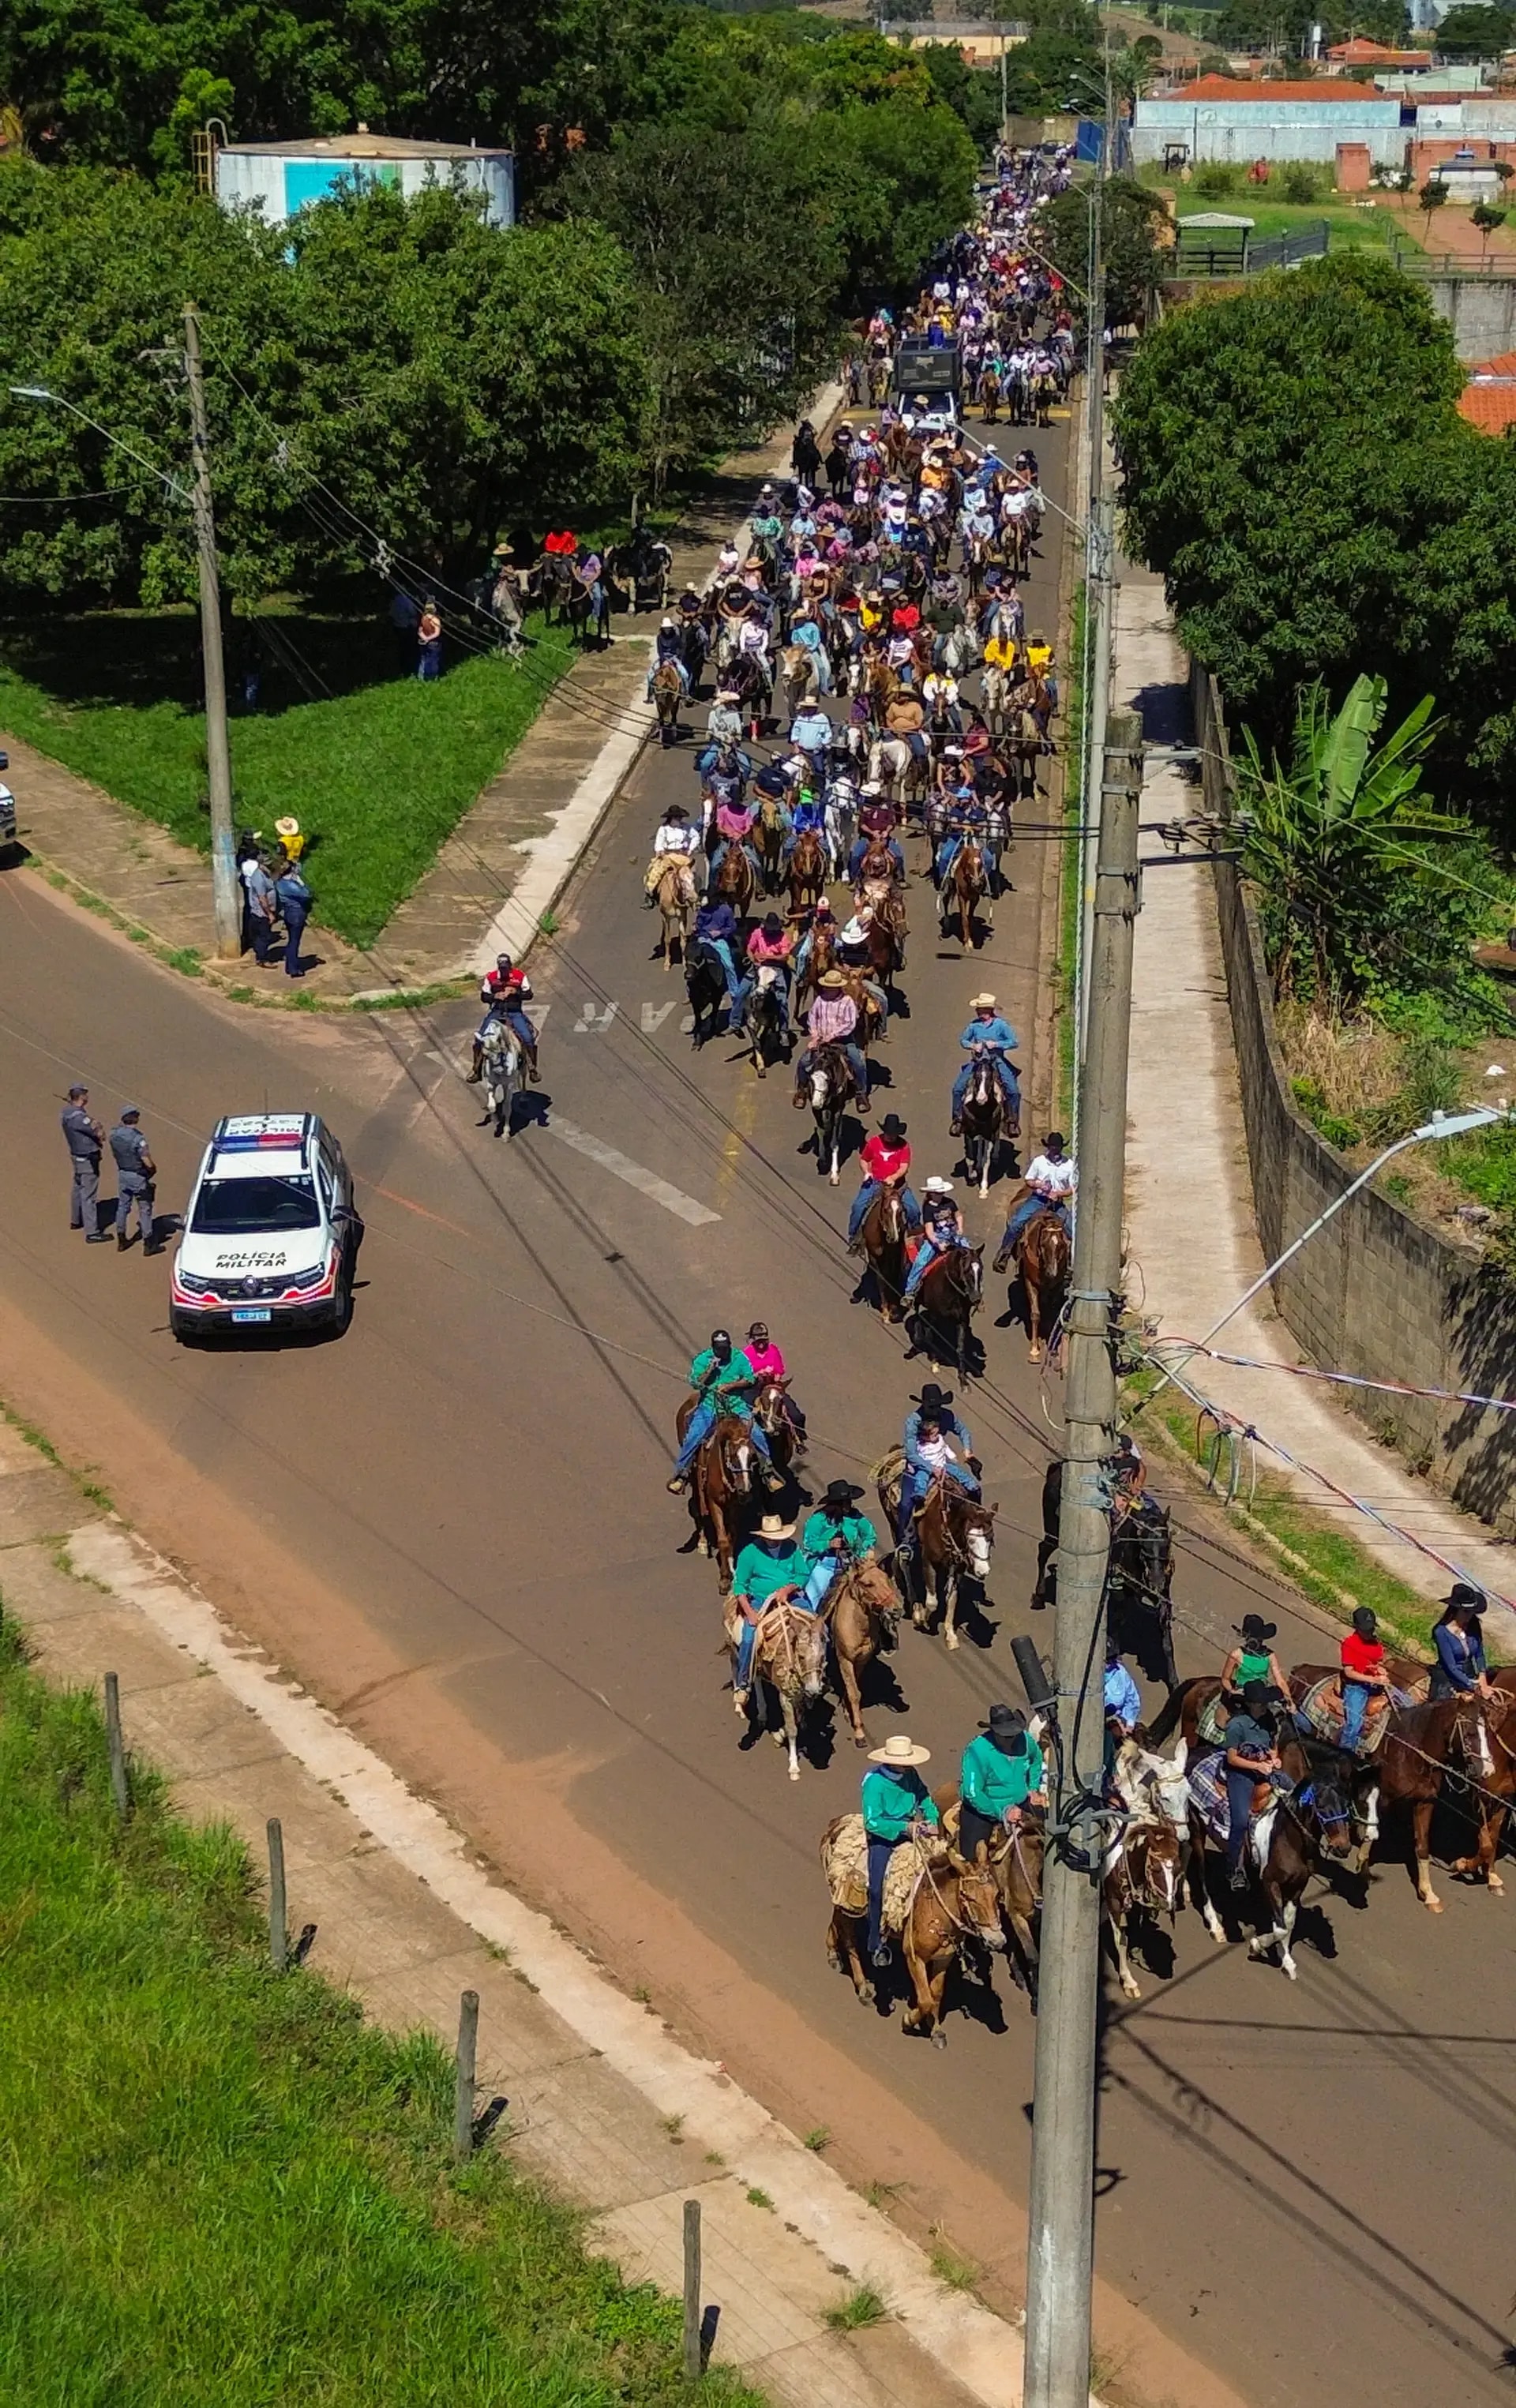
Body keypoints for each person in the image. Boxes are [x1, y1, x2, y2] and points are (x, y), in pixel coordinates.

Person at [862, 1733, 938, 1967]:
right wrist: (905, 1827)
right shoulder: (874, 1782)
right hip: (883, 1837)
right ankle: (876, 1942)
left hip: (914, 1831)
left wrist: (933, 1817)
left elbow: (924, 1796)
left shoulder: (910, 1774)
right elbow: (872, 1821)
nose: (908, 1765)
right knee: (877, 1888)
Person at [667, 1330, 775, 1492]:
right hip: (710, 1406)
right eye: (719, 1349)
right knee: (694, 1435)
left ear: (729, 1346)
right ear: (713, 1348)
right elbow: (696, 1384)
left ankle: (767, 1471)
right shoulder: (703, 1359)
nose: (723, 1352)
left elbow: (750, 1378)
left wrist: (731, 1386)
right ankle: (682, 1474)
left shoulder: (739, 1358)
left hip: (736, 1405)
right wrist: (710, 1370)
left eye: (725, 1348)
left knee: (757, 1434)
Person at [959, 1703, 1045, 1864]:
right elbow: (972, 1792)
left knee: (1049, 1837)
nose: (1011, 1739)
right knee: (973, 1862)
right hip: (984, 1809)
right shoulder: (976, 1750)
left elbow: (1036, 1758)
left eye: (1013, 1734)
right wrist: (1001, 1813)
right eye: (1006, 1736)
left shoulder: (1025, 1739)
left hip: (1021, 1803)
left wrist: (1033, 1788)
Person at [896, 1381, 979, 1547]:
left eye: (938, 1407)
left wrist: (967, 1449)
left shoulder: (947, 1416)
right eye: (932, 1407)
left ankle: (976, 1519)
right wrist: (931, 1468)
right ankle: (904, 1539)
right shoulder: (913, 1421)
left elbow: (963, 1431)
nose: (935, 1411)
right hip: (919, 1466)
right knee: (905, 1504)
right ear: (924, 1406)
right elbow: (911, 1454)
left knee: (974, 1487)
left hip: (942, 1462)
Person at [1222, 1681, 1284, 1892]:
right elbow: (1232, 1759)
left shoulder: (1269, 1720)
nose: (1264, 1707)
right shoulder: (1236, 1726)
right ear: (1249, 1704)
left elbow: (1273, 1747)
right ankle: (1234, 1869)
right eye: (1260, 1703)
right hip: (1241, 1775)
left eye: (1265, 1703)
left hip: (1265, 1769)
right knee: (1240, 1822)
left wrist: (1275, 1760)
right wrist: (1257, 1765)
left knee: (1299, 1795)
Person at [793, 970, 870, 1116]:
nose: (828, 989)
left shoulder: (847, 1002)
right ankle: (802, 1091)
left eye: (832, 987)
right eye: (827, 987)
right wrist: (815, 1036)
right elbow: (812, 1018)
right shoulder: (820, 1001)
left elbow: (850, 1023)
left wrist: (833, 1035)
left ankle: (861, 1094)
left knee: (858, 1063)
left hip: (843, 1040)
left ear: (838, 988)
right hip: (821, 1040)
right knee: (803, 1062)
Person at [995, 1132, 1075, 1264]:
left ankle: (1073, 1262)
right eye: (1053, 1147)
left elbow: (1072, 1189)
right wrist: (1037, 1184)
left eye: (1058, 1147)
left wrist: (1059, 1194)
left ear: (1061, 1148)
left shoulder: (1069, 1165)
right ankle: (1004, 1252)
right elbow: (1029, 1180)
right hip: (1038, 1200)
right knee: (1016, 1223)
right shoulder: (1039, 1162)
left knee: (1072, 1230)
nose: (1055, 1150)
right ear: (1048, 1147)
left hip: (1057, 1204)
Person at [847, 1112, 921, 1250]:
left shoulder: (903, 1146)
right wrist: (867, 1172)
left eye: (893, 1134)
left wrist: (893, 1177)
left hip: (898, 1185)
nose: (891, 1137)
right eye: (888, 1134)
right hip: (876, 1183)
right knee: (858, 1206)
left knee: (913, 1209)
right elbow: (864, 1159)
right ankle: (854, 1237)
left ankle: (915, 1235)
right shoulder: (874, 1142)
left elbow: (904, 1166)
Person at [949, 996, 1020, 1136]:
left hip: (997, 1061)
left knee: (1013, 1092)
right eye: (978, 1009)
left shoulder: (1001, 1025)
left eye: (980, 1009)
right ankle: (958, 1120)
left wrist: (997, 1044)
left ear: (988, 1010)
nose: (978, 1012)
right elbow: (963, 1040)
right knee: (958, 1089)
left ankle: (1011, 1121)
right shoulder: (974, 1025)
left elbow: (1014, 1042)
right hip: (977, 1061)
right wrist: (973, 1045)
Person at [801, 1479, 878, 1606]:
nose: (849, 1505)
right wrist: (828, 1544)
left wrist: (864, 1551)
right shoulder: (818, 1520)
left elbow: (870, 1535)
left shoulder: (856, 1517)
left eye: (849, 1501)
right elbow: (808, 1544)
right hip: (825, 1565)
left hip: (851, 1564)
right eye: (845, 1502)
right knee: (812, 1599)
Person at [901, 1176, 966, 1303]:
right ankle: (910, 1292)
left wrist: (960, 1227)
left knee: (971, 1256)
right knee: (921, 1261)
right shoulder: (928, 1208)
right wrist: (937, 1243)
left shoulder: (950, 1203)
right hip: (936, 1238)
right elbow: (929, 1230)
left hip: (953, 1235)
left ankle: (976, 1288)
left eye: (941, 1192)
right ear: (931, 1193)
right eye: (938, 1193)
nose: (940, 1195)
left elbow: (958, 1215)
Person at [62, 1085, 111, 1241]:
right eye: (86, 1095)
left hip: (76, 1157)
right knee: (89, 1194)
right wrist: (98, 1126)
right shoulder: (80, 1118)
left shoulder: (66, 1113)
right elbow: (98, 1133)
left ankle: (76, 1220)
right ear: (82, 1097)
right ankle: (92, 1232)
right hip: (88, 1159)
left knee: (77, 1187)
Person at [1339, 1605, 1391, 1751]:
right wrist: (1374, 1680)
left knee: (1407, 1703)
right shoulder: (1349, 1644)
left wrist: (1380, 1670)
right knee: (1355, 1722)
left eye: (1371, 1628)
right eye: (1366, 1629)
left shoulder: (1376, 1643)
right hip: (1356, 1687)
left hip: (1375, 1683)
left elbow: (1378, 1662)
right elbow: (1349, 1672)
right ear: (1356, 1627)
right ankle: (1345, 1751)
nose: (1370, 1632)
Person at [734, 913, 794, 1037]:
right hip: (758, 966)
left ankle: (783, 1030)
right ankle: (735, 1023)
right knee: (741, 992)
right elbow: (750, 949)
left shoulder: (782, 937)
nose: (771, 932)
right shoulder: (757, 933)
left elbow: (784, 957)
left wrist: (768, 957)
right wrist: (753, 959)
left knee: (782, 1000)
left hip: (776, 969)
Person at [110, 1105, 159, 1255]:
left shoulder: (114, 1134)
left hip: (123, 1174)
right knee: (145, 1208)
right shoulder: (138, 1139)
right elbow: (146, 1160)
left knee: (123, 1206)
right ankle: (148, 1243)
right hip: (138, 1176)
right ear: (135, 1118)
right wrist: (152, 1169)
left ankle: (122, 1239)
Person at [1430, 1584, 1492, 1698]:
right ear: (1456, 1610)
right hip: (1448, 1679)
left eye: (1472, 1612)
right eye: (1466, 1612)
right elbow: (1451, 1666)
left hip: (1470, 1674)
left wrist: (1482, 1676)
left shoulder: (1473, 1625)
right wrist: (1471, 1685)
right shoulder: (1441, 1632)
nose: (1470, 1616)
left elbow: (1479, 1654)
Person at [1219, 1613, 1286, 1712]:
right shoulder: (1236, 1654)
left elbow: (1280, 1680)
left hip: (1262, 1694)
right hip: (1243, 1693)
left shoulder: (1270, 1655)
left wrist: (1289, 1700)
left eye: (1259, 1639)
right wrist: (1232, 1691)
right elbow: (1225, 1679)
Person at [692, 897, 745, 1015]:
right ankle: (691, 989)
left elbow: (732, 927)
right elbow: (699, 926)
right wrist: (696, 929)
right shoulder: (702, 911)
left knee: (729, 965)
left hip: (719, 941)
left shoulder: (726, 910)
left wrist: (720, 932)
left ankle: (734, 991)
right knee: (693, 961)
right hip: (704, 939)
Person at [643, 803, 703, 903]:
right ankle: (651, 896)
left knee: (693, 875)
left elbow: (696, 836)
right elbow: (659, 843)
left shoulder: (686, 828)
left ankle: (695, 897)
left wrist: (690, 849)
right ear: (671, 818)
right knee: (654, 873)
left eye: (680, 817)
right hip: (667, 856)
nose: (679, 819)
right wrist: (660, 851)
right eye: (676, 817)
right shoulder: (663, 829)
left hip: (682, 856)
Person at [274, 861, 313, 980]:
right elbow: (307, 894)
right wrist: (301, 882)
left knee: (292, 940)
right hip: (297, 915)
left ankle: (289, 966)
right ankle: (293, 969)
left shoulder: (280, 882)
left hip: (288, 914)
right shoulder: (290, 885)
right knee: (294, 942)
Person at [240, 845, 278, 966]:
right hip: (262, 913)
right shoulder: (259, 878)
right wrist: (270, 914)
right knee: (264, 936)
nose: (270, 867)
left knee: (261, 935)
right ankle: (262, 959)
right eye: (268, 865)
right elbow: (262, 899)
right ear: (261, 865)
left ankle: (260, 954)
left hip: (260, 911)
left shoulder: (263, 874)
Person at [1104, 1641, 1142, 1738]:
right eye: (1106, 1660)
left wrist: (1128, 1724)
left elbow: (1132, 1699)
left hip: (1118, 1723)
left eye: (1111, 1659)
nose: (1109, 1663)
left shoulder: (1120, 1672)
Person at [416, 601, 443, 681]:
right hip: (434, 642)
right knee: (433, 660)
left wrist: (424, 638)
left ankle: (421, 677)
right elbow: (437, 633)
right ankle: (432, 677)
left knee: (423, 659)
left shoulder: (423, 618)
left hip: (424, 642)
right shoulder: (435, 620)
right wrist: (428, 638)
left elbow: (420, 630)